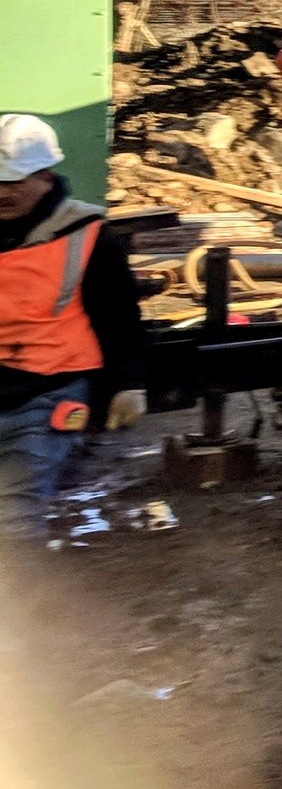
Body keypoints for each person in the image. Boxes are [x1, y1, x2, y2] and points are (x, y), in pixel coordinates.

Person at [0, 115, 144, 538]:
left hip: (47, 394)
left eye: (13, 181)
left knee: (11, 516)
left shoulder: (86, 235)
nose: (1, 193)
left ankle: (21, 601)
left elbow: (120, 318)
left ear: (45, 175)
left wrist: (130, 384)